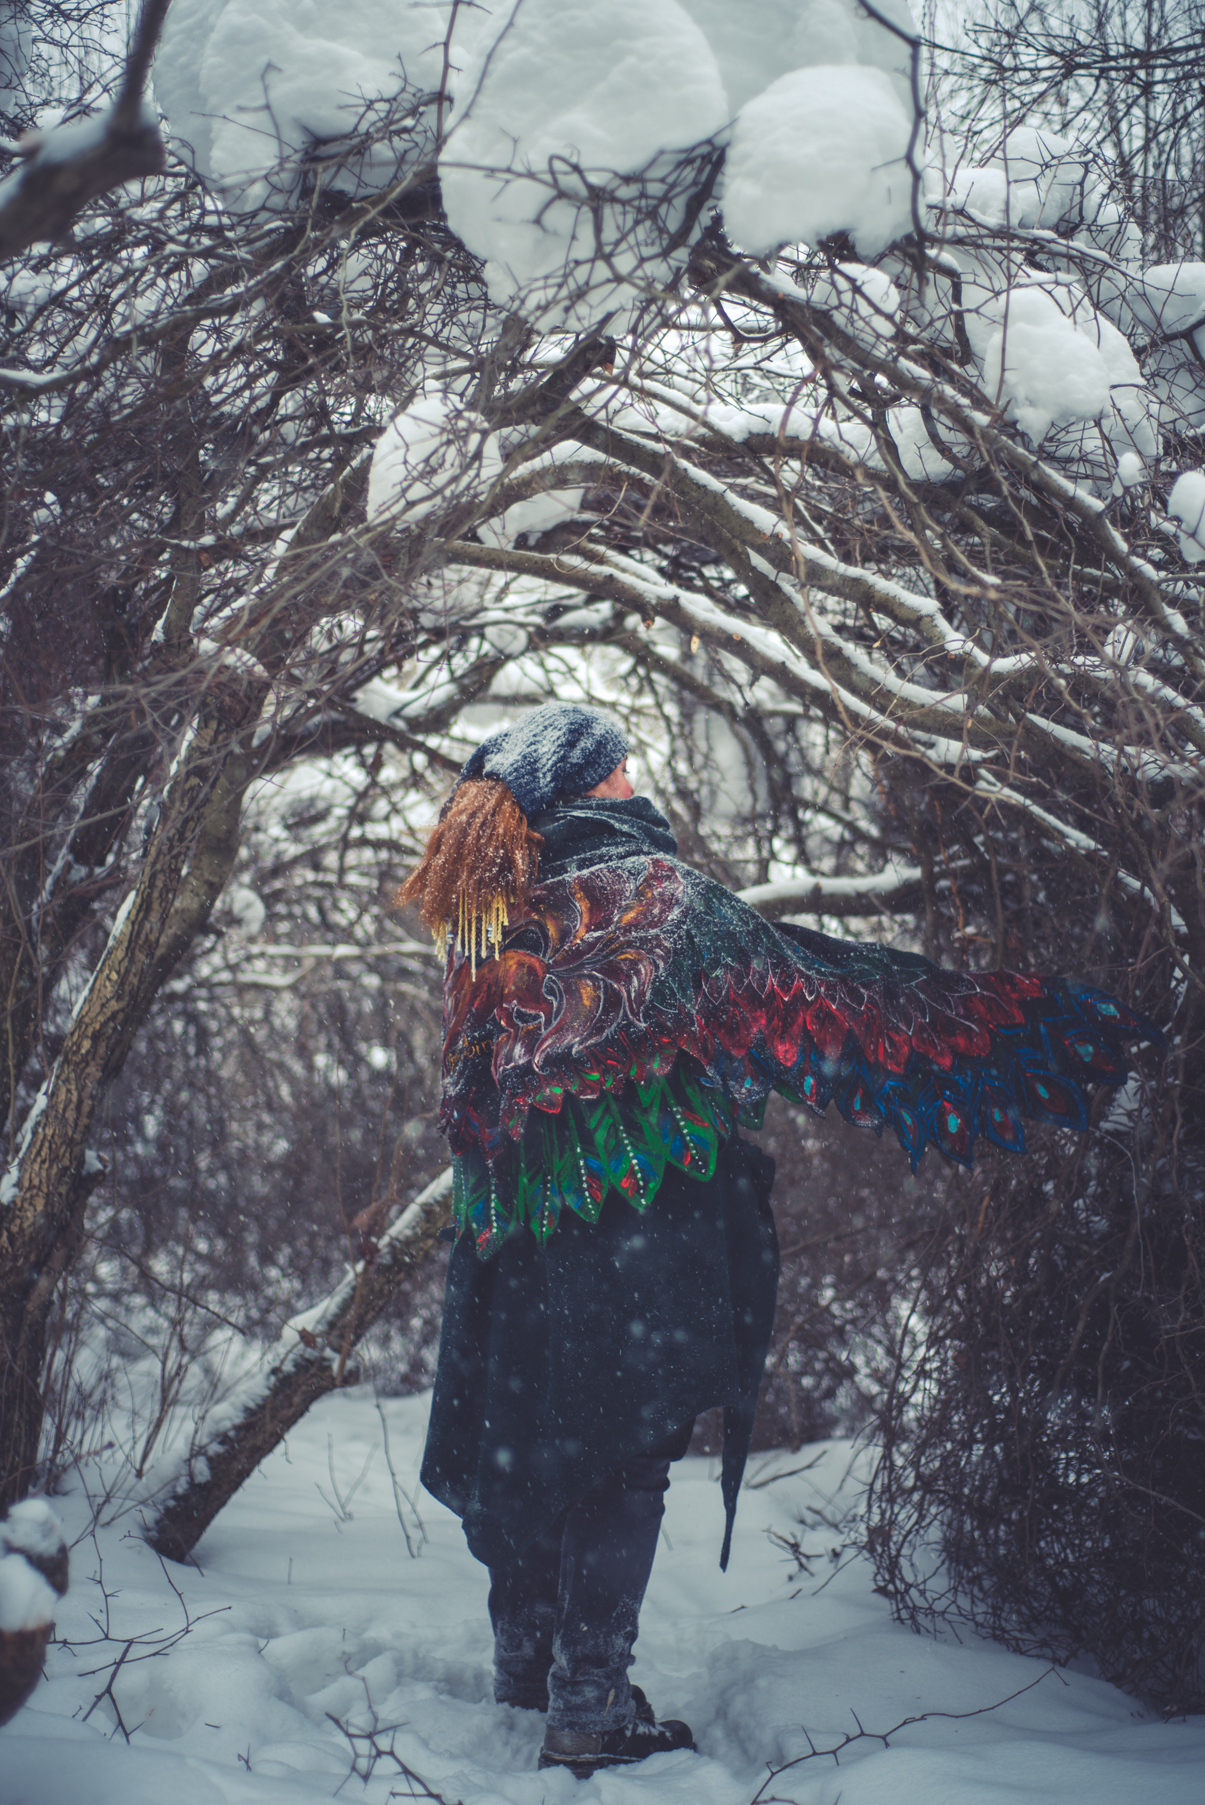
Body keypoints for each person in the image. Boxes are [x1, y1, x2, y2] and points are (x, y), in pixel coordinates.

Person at [396, 702, 1156, 1779]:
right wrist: (1030, 1041)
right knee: (621, 1451)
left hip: (510, 1245)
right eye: (617, 766)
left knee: (530, 1440)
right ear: (585, 786)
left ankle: (529, 1665)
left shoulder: (485, 924)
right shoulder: (654, 898)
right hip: (626, 1241)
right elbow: (827, 994)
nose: (632, 780)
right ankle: (589, 1702)